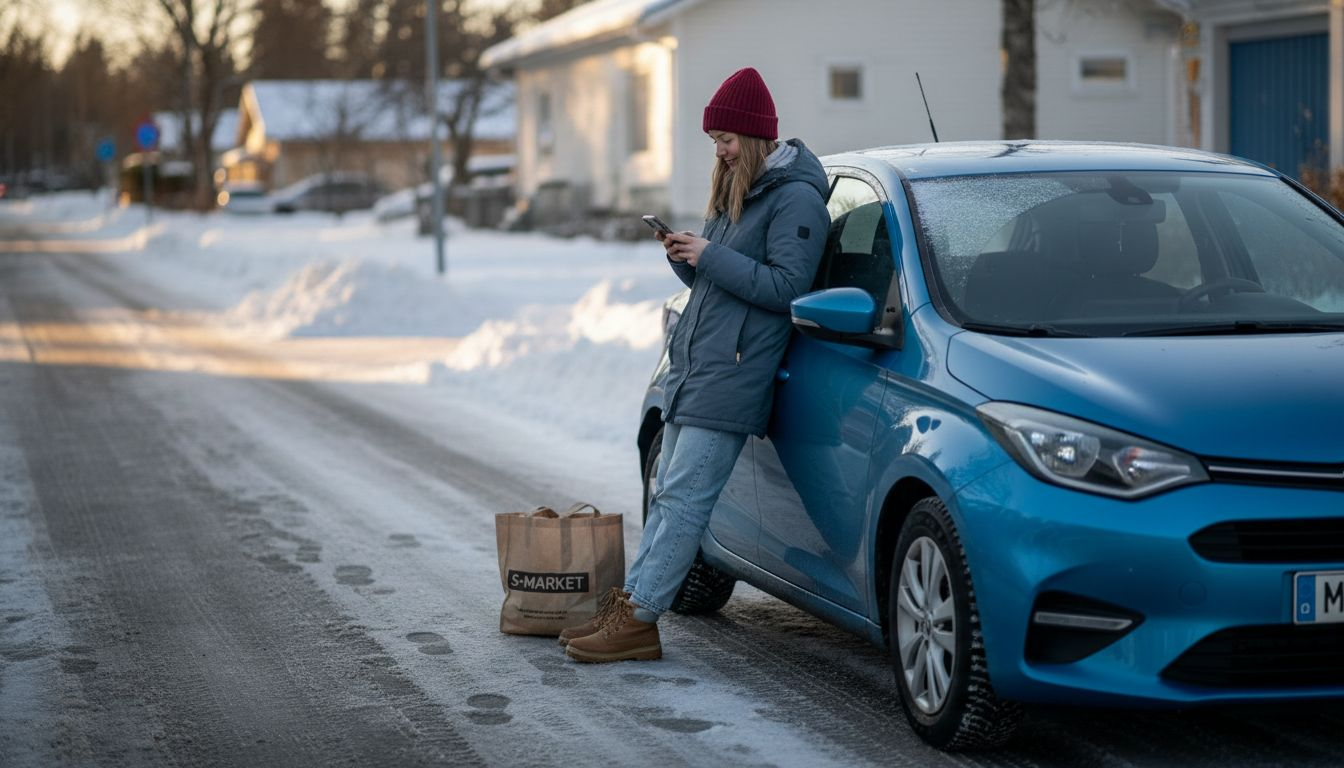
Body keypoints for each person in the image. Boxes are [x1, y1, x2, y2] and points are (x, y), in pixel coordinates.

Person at [561, 67, 830, 663]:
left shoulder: (795, 198)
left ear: (756, 136)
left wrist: (709, 255)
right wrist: (688, 256)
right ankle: (628, 606)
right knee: (666, 494)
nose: (721, 151)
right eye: (714, 142)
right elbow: (727, 280)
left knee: (683, 499)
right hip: (699, 366)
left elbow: (788, 288)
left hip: (734, 373)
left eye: (727, 140)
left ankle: (639, 620)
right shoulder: (743, 189)